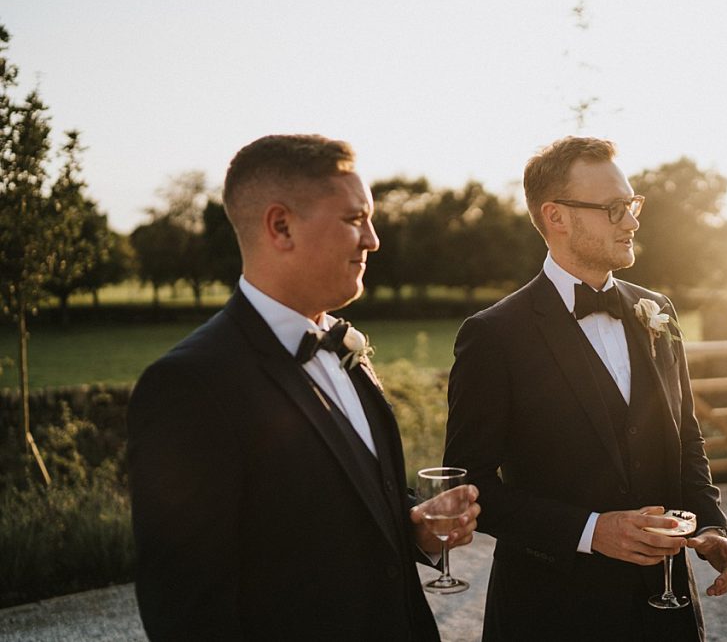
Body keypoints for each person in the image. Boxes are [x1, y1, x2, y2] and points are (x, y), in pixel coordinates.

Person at [128, 134, 479, 641]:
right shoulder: (189, 386)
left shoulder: (343, 347)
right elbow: (188, 610)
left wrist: (414, 526)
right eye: (355, 219)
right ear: (281, 226)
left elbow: (345, 507)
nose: (373, 239)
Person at [443, 136, 727, 640]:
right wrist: (590, 531)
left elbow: (686, 438)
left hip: (664, 609)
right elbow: (467, 485)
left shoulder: (657, 312)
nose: (632, 221)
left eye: (632, 204)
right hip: (551, 610)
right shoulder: (495, 335)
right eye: (613, 208)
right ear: (556, 217)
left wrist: (711, 525)